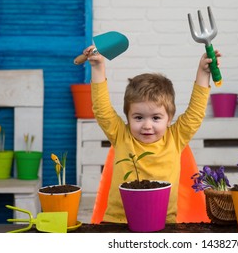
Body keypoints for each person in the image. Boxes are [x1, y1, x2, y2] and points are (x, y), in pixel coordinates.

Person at [83, 45, 221, 223]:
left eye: (156, 118)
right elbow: (102, 109)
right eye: (139, 117)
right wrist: (97, 68)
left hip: (163, 223)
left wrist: (203, 73)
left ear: (169, 118)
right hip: (118, 222)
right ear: (128, 116)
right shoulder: (120, 134)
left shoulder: (175, 137)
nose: (147, 126)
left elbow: (195, 112)